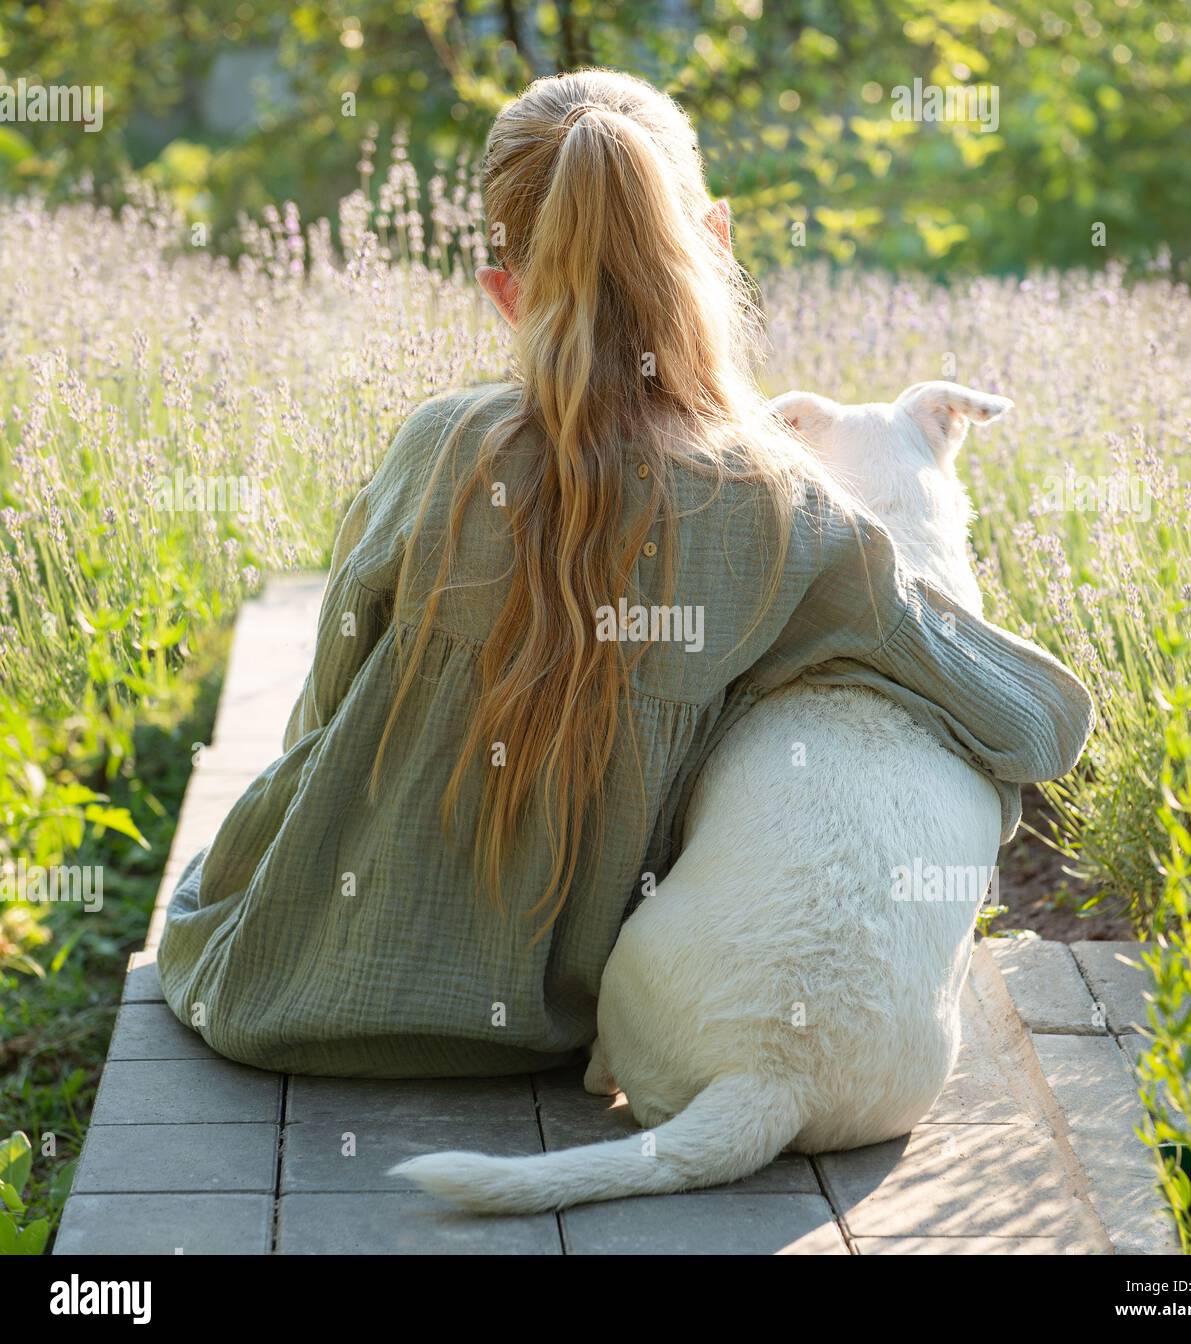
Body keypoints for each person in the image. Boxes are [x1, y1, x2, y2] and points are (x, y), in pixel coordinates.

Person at [157, 69, 1094, 1077]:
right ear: (717, 243)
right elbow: (1035, 722)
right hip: (552, 1027)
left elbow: (326, 713)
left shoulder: (439, 449)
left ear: (507, 292)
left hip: (275, 986)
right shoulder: (785, 511)